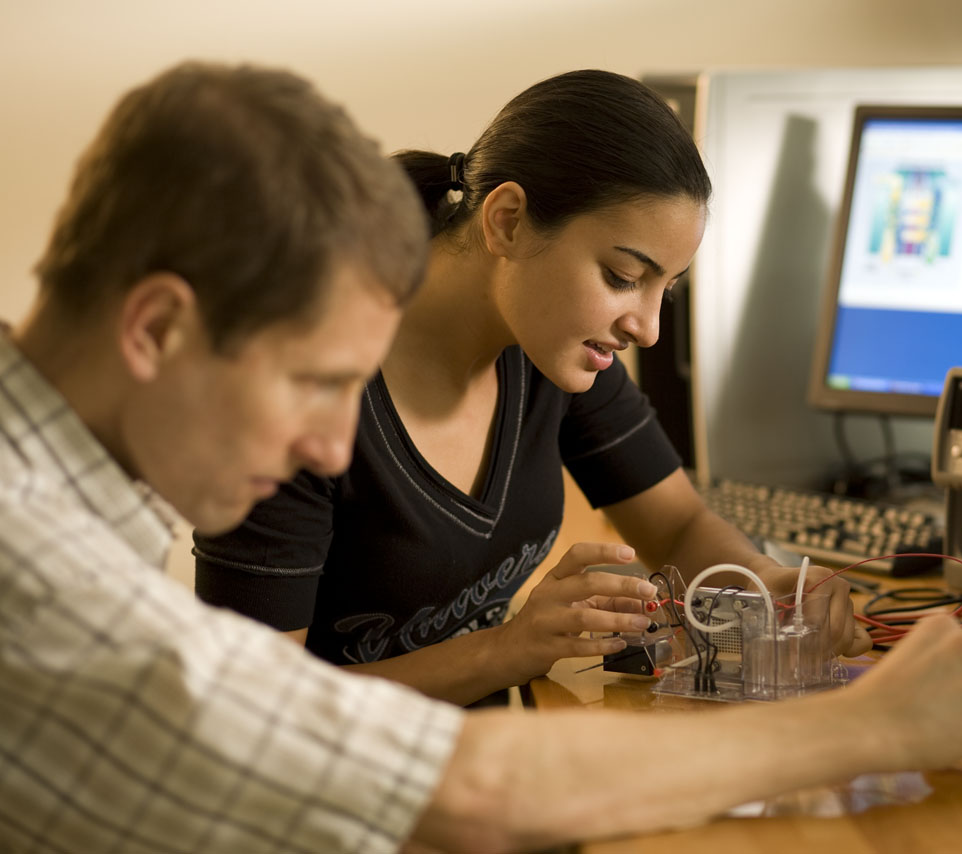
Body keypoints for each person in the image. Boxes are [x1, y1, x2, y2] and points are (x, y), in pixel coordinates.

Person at [0, 60, 962, 853]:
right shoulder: (32, 565)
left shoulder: (71, 495)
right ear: (159, 329)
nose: (329, 442)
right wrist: (871, 725)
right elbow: (470, 792)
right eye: (313, 382)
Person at [192, 70, 867, 706]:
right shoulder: (296, 397)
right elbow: (256, 705)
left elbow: (680, 526)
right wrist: (508, 649)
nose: (649, 329)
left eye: (667, 289)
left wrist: (765, 585)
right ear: (507, 221)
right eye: (623, 276)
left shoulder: (554, 349)